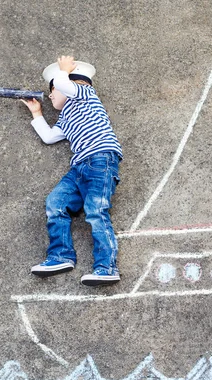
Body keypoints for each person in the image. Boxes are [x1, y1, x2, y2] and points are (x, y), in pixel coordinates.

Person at [21, 56, 123, 286]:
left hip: (100, 160)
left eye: (53, 90)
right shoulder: (66, 117)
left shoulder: (85, 96)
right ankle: (61, 255)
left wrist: (64, 70)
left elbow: (67, 85)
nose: (50, 95)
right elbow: (49, 137)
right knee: (55, 203)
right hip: (79, 167)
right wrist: (37, 113)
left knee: (96, 211)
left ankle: (107, 268)